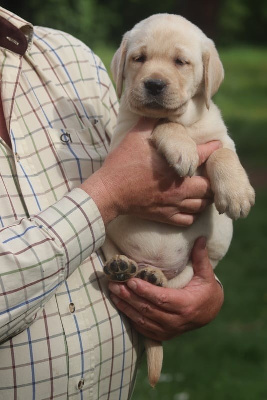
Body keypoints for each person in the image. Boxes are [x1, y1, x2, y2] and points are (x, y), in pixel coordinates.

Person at [0, 7, 223, 400]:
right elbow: (122, 182)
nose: (154, 74)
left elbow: (147, 172)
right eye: (141, 59)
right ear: (127, 62)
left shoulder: (73, 60)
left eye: (177, 61)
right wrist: (107, 195)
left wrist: (203, 288)